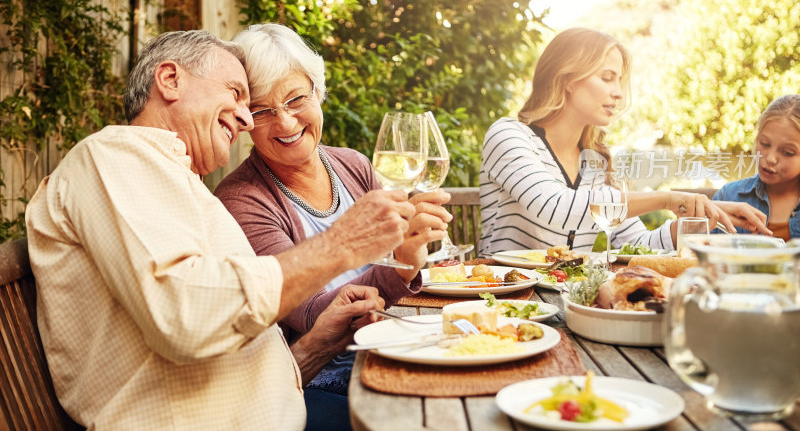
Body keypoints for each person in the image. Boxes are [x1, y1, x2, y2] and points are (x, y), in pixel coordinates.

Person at [24, 30, 417, 430]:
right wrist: (341, 244)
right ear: (170, 79)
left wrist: (318, 344)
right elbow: (186, 317)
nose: (247, 119)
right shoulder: (114, 155)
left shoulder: (177, 183)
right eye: (237, 93)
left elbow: (223, 353)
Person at [213, 23, 450, 430]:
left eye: (295, 99)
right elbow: (304, 311)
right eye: (263, 111)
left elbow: (396, 256)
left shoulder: (353, 165)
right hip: (317, 384)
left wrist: (411, 250)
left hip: (385, 354)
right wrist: (403, 262)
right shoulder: (243, 198)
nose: (285, 122)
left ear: (317, 94)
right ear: (245, 121)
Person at [478, 27, 770, 255]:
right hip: (505, 306)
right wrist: (668, 198)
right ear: (566, 78)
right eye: (607, 77)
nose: (618, 92)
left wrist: (698, 222)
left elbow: (637, 244)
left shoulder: (596, 162)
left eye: (618, 80)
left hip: (567, 306)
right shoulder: (509, 136)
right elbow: (556, 206)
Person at [713, 94, 800, 240]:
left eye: (787, 152)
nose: (770, 159)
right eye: (764, 144)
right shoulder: (729, 196)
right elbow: (692, 252)